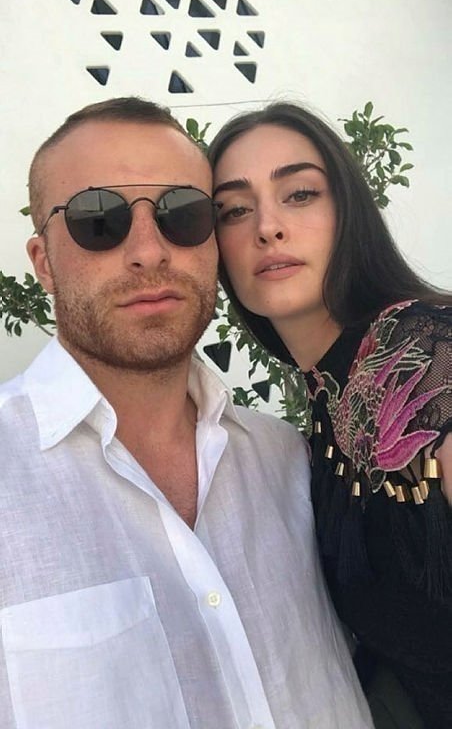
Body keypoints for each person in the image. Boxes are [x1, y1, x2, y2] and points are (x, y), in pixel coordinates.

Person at [0, 97, 372, 729]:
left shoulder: (289, 459)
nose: (149, 251)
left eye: (183, 214)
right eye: (99, 219)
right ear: (43, 264)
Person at [209, 101, 452, 729]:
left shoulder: (426, 352)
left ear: (349, 212)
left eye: (299, 194)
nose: (268, 228)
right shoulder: (323, 404)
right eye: (233, 210)